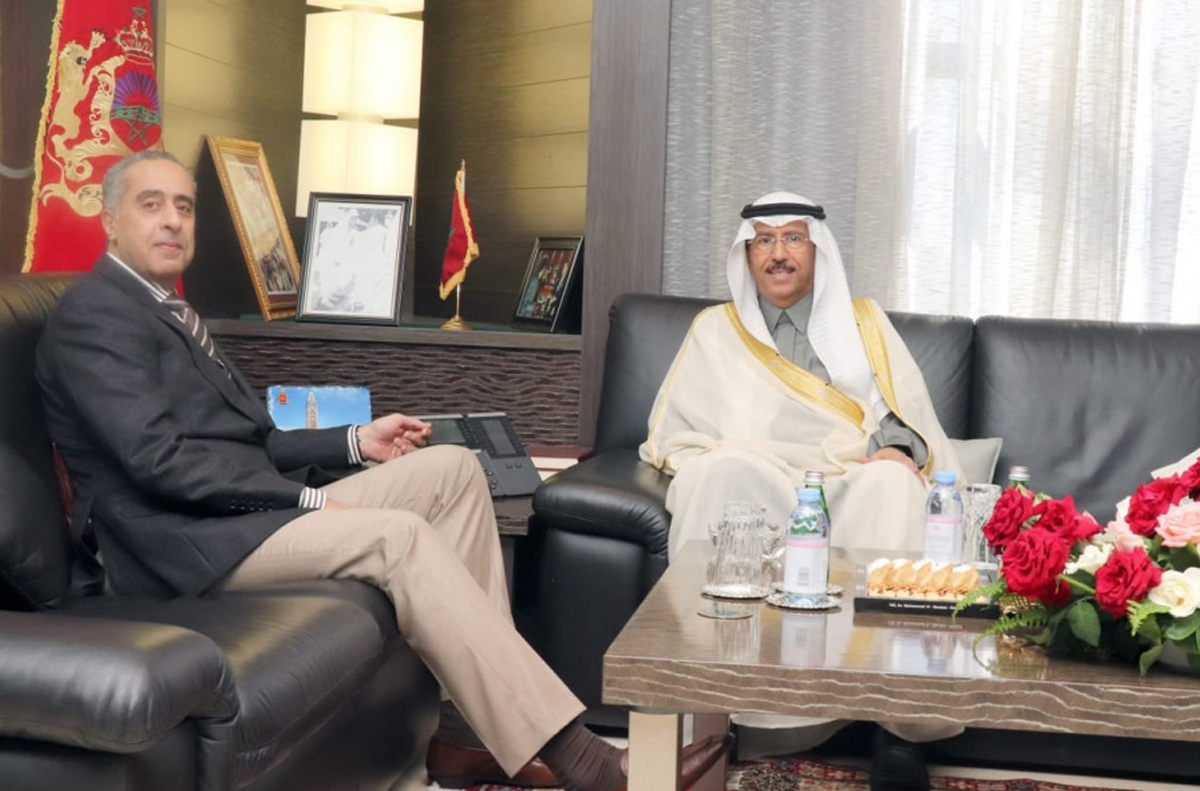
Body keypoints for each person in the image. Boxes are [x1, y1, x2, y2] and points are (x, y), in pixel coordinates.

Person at [36, 150, 730, 791]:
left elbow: (250, 440)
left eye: (184, 206)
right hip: (181, 545)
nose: (172, 220)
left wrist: (355, 442)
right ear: (110, 220)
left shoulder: (168, 308)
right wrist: (310, 500)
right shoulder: (96, 316)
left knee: (452, 469)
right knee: (398, 537)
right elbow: (160, 464)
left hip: (234, 516)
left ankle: (467, 734)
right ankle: (586, 761)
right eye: (152, 204)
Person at [638, 192, 966, 791]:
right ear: (747, 254)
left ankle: (897, 729)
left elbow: (903, 413)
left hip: (845, 473)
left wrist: (897, 448)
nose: (778, 254)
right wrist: (719, 454)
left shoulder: (863, 322)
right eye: (764, 241)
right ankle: (722, 707)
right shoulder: (715, 329)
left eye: (793, 238)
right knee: (719, 472)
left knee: (894, 485)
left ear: (818, 250)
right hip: (757, 470)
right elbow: (677, 429)